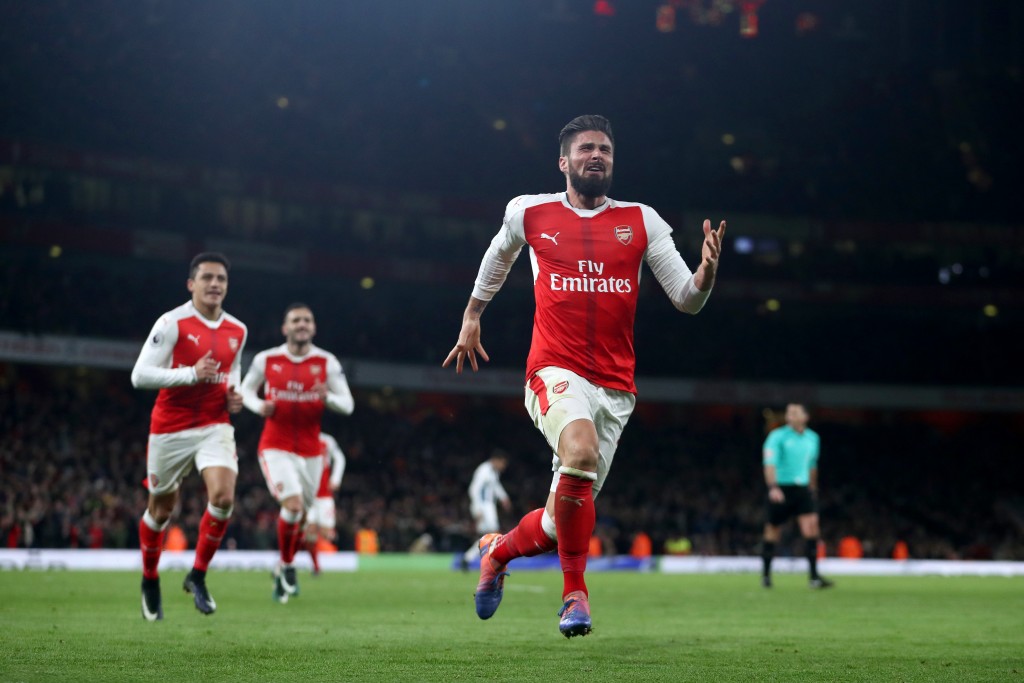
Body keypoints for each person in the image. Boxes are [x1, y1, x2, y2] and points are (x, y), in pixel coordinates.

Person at [442, 115, 725, 638]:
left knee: (557, 523)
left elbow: (686, 299)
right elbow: (498, 255)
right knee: (579, 453)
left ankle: (497, 551)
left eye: (605, 150)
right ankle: (576, 595)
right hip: (553, 368)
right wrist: (473, 314)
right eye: (586, 148)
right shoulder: (529, 211)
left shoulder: (643, 221)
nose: (597, 155)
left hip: (616, 389)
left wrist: (705, 275)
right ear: (564, 161)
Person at [131, 252, 248, 621]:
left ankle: (197, 575)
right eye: (208, 278)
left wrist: (235, 394)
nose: (215, 284)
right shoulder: (172, 322)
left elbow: (234, 370)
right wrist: (188, 374)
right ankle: (150, 579)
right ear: (191, 284)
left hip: (214, 424)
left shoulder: (238, 330)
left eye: (221, 280)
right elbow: (140, 376)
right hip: (170, 426)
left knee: (223, 496)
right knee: (161, 511)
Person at [240, 303, 354, 603]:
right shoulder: (267, 359)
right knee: (291, 504)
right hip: (275, 446)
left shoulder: (326, 362)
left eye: (307, 320)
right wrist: (257, 406)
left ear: (313, 328)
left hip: (311, 451)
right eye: (295, 320)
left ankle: (282, 568)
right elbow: (245, 391)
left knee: (300, 514)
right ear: (285, 328)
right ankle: (289, 565)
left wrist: (326, 396)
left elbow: (348, 404)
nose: (301, 324)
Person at [760, 403, 833, 589]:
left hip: (802, 489)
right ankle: (766, 576)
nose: (789, 415)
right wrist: (772, 486)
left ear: (805, 417)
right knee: (772, 530)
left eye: (794, 412)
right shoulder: (777, 436)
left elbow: (812, 466)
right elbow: (770, 463)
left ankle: (814, 577)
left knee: (812, 529)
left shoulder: (812, 438)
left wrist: (813, 489)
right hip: (781, 488)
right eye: (788, 412)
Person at [303, 432, 347, 575]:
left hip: (324, 496)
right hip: (308, 496)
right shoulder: (300, 438)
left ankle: (343, 559)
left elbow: (340, 458)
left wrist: (336, 479)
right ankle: (316, 566)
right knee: (310, 532)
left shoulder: (327, 440)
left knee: (327, 534)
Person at [460, 450, 512, 569]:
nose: (503, 467)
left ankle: (467, 558)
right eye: (502, 463)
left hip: (489, 506)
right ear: (495, 460)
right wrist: (477, 508)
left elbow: (496, 486)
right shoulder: (483, 471)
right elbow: (474, 489)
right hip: (483, 506)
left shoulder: (493, 472)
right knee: (493, 535)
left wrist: (504, 498)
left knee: (488, 536)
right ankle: (493, 562)